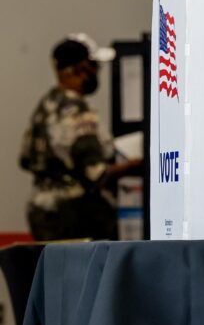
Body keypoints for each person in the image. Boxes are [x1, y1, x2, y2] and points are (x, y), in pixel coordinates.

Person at [19, 34, 137, 241]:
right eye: (94, 66)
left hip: (41, 211)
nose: (96, 73)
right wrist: (137, 165)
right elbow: (96, 173)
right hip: (75, 216)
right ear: (81, 69)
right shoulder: (78, 110)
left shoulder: (45, 105)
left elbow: (25, 158)